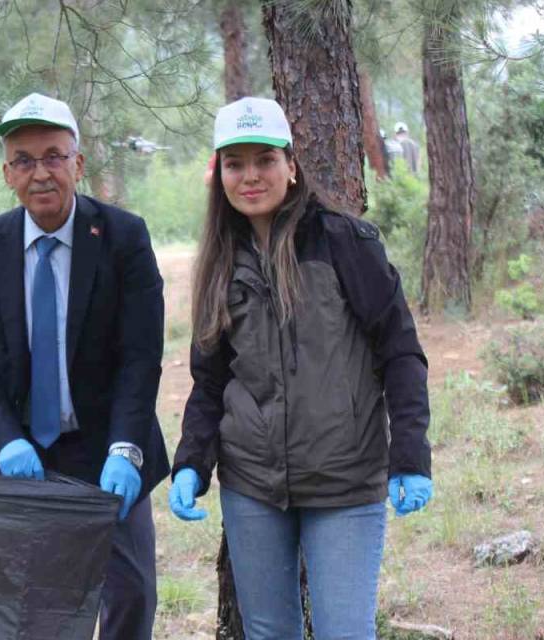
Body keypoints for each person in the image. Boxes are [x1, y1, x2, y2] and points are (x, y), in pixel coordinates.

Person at [167, 97, 434, 639]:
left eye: (264, 159)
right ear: (219, 175)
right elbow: (211, 381)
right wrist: (192, 461)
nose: (251, 176)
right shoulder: (219, 262)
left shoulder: (345, 243)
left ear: (291, 165)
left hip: (344, 479)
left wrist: (410, 455)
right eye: (235, 164)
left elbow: (401, 352)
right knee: (268, 633)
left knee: (344, 632)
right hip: (251, 485)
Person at [0, 92, 170, 639]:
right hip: (23, 456)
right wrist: (4, 439)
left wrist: (126, 449)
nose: (40, 173)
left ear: (78, 164)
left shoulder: (123, 237)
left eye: (53, 155)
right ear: (7, 174)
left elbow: (140, 356)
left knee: (130, 595)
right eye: (23, 160)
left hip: (111, 447)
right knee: (35, 605)